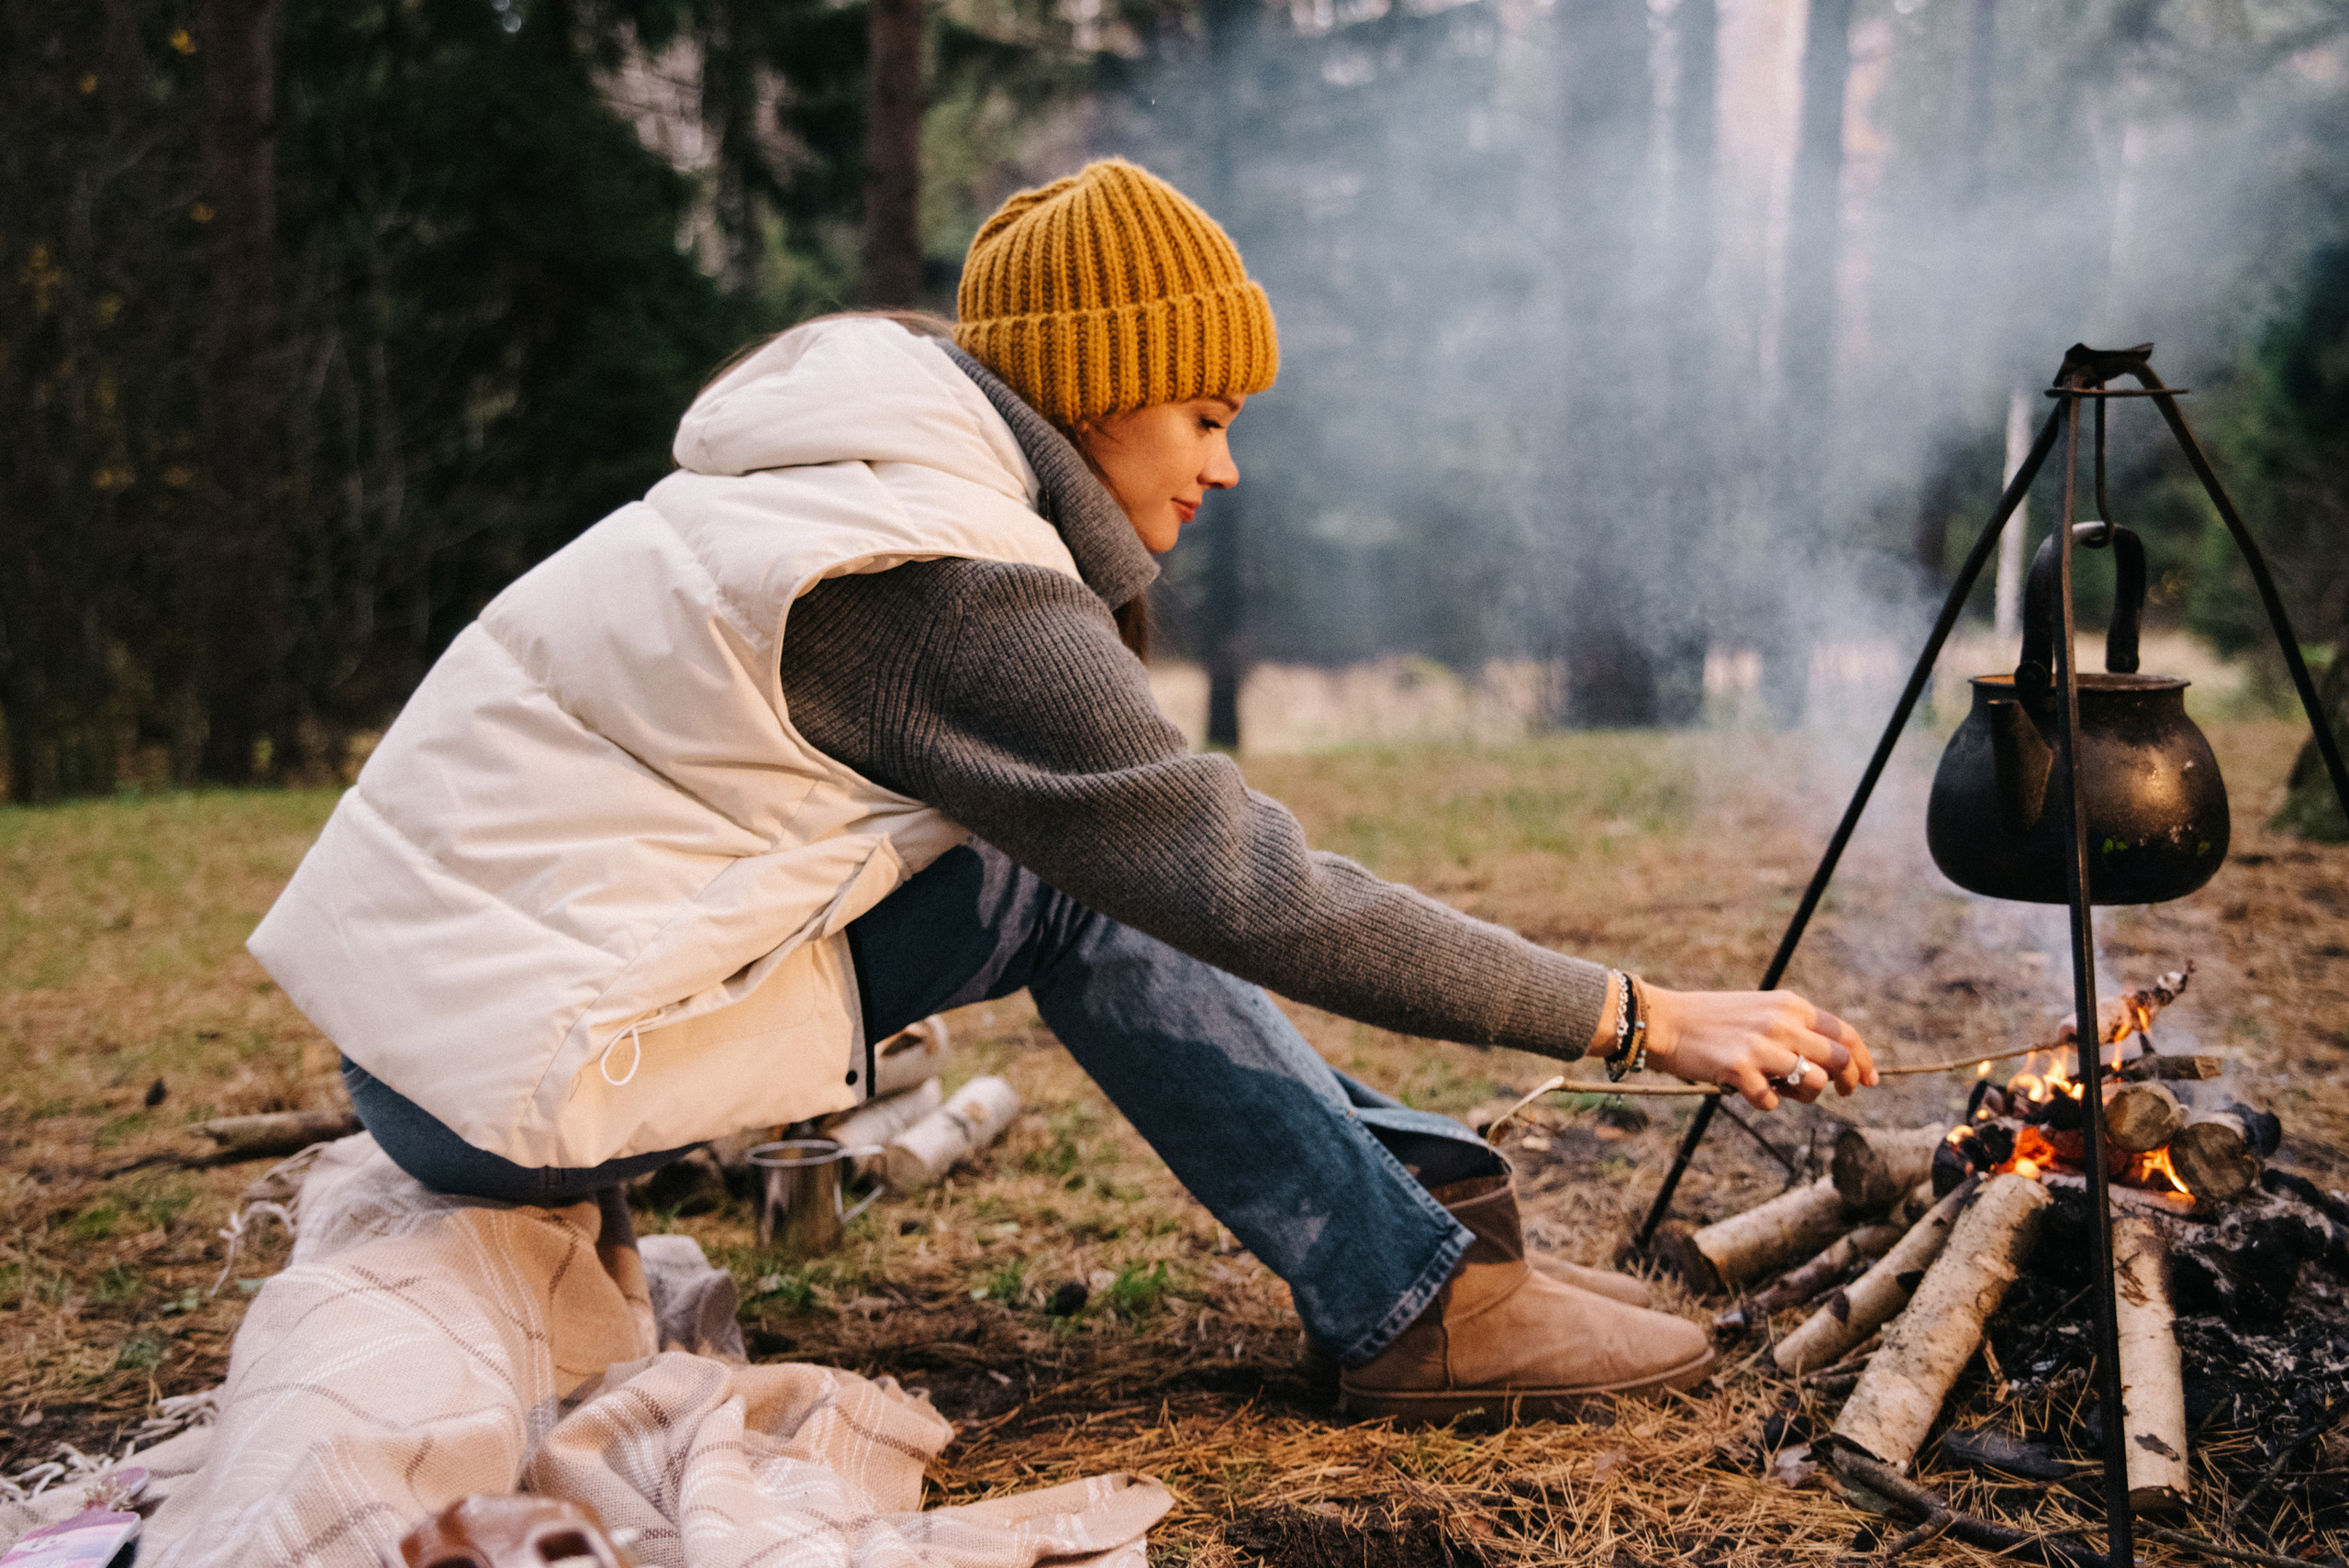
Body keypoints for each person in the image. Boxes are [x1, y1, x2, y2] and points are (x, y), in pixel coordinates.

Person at [250, 158, 1876, 1422]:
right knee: (1090, 876)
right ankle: (1412, 1301)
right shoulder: (941, 574)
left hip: (455, 1036)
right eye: (1207, 415)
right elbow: (1246, 883)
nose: (1225, 465)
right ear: (1098, 384)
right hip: (500, 1082)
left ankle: (1433, 1242)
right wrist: (1638, 1013)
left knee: (1092, 861)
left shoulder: (859, 475)